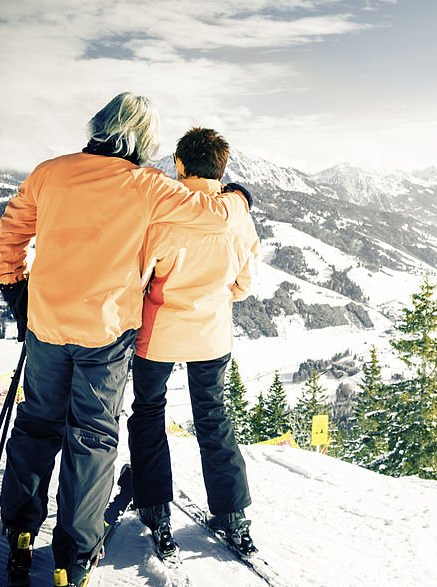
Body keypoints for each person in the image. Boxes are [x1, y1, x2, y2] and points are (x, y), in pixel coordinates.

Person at [0, 93, 253, 587]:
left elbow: (8, 237)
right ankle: (75, 558)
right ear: (143, 140)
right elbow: (217, 217)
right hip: (106, 335)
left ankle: (21, 532)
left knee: (36, 425)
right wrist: (238, 194)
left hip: (45, 326)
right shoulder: (147, 186)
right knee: (92, 437)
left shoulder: (49, 172)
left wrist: (16, 289)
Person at [128, 127, 260, 559]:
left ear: (180, 165)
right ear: (222, 169)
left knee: (148, 413)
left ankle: (155, 508)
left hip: (160, 333)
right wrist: (215, 296)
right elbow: (244, 283)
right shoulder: (237, 216)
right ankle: (233, 514)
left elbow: (140, 277)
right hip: (212, 333)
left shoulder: (163, 212)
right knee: (213, 416)